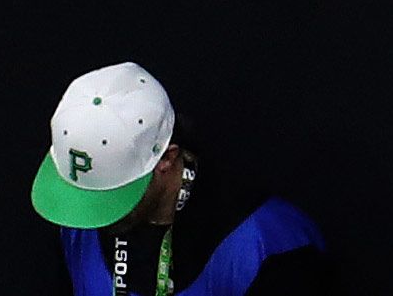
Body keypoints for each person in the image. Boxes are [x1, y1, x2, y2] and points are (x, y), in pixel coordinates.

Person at [28, 65, 328, 296]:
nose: (93, 214)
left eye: (112, 192)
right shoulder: (78, 215)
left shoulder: (266, 242)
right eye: (86, 195)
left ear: (166, 159)